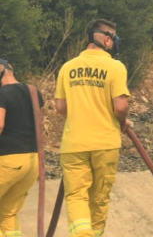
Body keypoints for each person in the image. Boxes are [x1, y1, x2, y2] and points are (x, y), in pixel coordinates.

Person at [55, 19, 132, 237]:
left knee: (77, 196)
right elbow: (121, 106)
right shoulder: (115, 67)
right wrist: (122, 123)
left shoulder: (67, 67)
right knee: (99, 198)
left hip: (73, 144)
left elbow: (60, 107)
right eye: (114, 39)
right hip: (105, 143)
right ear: (107, 39)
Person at [0, 59, 44, 237]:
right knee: (9, 213)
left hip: (8, 161)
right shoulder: (33, 92)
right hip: (32, 162)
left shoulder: (2, 94)